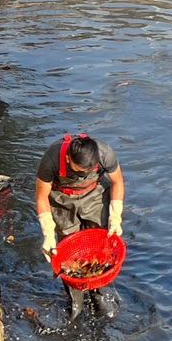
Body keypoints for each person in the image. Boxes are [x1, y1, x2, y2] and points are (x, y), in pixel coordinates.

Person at [35, 132, 125, 320]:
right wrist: (48, 232)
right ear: (68, 159)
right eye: (79, 170)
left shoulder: (104, 152)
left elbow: (117, 181)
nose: (84, 173)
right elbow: (42, 195)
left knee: (100, 246)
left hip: (94, 195)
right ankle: (76, 301)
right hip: (62, 198)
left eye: (88, 169)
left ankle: (97, 294)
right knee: (69, 252)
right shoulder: (52, 158)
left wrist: (115, 215)